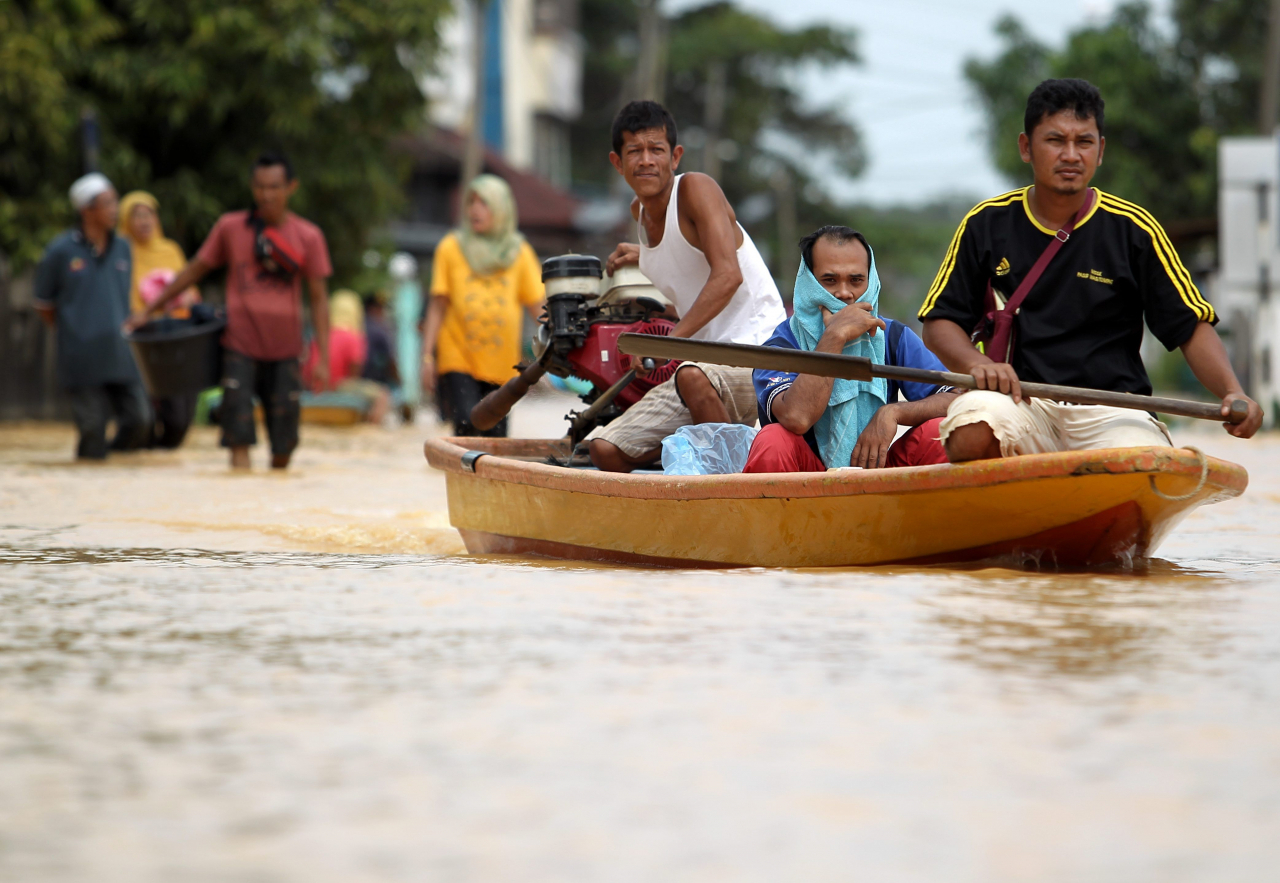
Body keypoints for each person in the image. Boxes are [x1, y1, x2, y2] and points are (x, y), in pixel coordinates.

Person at [919, 78, 1262, 460]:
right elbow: (939, 322)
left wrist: (1233, 392)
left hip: (1114, 409)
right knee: (971, 430)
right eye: (1055, 141)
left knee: (1142, 463)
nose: (1070, 154)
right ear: (1025, 147)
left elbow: (1190, 326)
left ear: (1100, 151)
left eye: (1083, 142)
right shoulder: (985, 224)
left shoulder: (1136, 229)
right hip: (1021, 403)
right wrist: (978, 364)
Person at [589, 100, 787, 472]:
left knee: (692, 376)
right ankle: (689, 457)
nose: (646, 160)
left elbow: (728, 275)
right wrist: (641, 255)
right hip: (702, 367)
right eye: (635, 151)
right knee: (605, 449)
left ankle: (741, 489)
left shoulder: (696, 189)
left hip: (758, 353)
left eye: (656, 150)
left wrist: (667, 343)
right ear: (618, 162)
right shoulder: (640, 215)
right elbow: (680, 259)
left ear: (675, 156)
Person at [131, 151, 333, 470]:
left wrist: (323, 356)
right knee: (237, 436)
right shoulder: (231, 227)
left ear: (291, 187)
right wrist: (150, 309)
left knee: (285, 445)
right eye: (260, 186)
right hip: (239, 348)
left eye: (274, 187)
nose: (266, 195)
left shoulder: (309, 236)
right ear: (252, 188)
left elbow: (320, 299)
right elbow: (195, 269)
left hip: (286, 352)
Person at [745, 227, 958, 472]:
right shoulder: (783, 343)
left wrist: (894, 412)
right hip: (804, 484)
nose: (844, 293)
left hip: (881, 473)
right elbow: (797, 417)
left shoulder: (893, 336)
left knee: (944, 432)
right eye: (829, 280)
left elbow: (956, 398)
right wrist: (834, 337)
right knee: (773, 440)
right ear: (808, 282)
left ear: (871, 280)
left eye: (856, 280)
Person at [34, 173, 151, 460]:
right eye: (107, 203)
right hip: (81, 357)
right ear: (87, 209)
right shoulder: (60, 251)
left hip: (122, 353)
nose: (115, 209)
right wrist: (74, 331)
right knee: (92, 431)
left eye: (115, 202)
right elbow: (44, 304)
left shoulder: (124, 247)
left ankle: (115, 473)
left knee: (141, 421)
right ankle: (92, 472)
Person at [420, 174, 545, 437]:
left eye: (484, 203)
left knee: (496, 436)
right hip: (458, 355)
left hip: (501, 364)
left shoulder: (519, 252)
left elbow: (538, 307)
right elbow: (437, 306)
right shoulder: (451, 248)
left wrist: (559, 347)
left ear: (501, 208)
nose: (475, 209)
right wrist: (427, 357)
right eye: (471, 202)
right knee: (466, 423)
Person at [117, 190, 201, 448]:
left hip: (174, 336)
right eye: (137, 215)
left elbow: (189, 287)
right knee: (144, 418)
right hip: (140, 339)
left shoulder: (170, 250)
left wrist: (187, 297)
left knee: (179, 418)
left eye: (149, 214)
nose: (144, 221)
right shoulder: (119, 251)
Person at [302, 290, 391, 424]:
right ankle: (372, 428)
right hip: (337, 385)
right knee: (383, 396)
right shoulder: (354, 337)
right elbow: (354, 373)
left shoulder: (319, 336)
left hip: (314, 386)